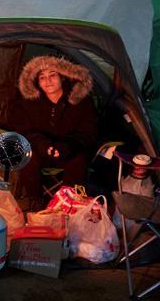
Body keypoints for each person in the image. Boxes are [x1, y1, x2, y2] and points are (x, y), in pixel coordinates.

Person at [12, 55, 97, 208]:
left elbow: (87, 134)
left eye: (52, 75)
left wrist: (66, 147)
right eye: (42, 78)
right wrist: (44, 146)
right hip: (41, 151)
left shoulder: (81, 101)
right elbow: (25, 132)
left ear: (62, 78)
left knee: (79, 159)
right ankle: (34, 201)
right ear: (37, 82)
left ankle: (71, 203)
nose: (48, 81)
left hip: (69, 151)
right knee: (27, 155)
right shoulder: (28, 103)